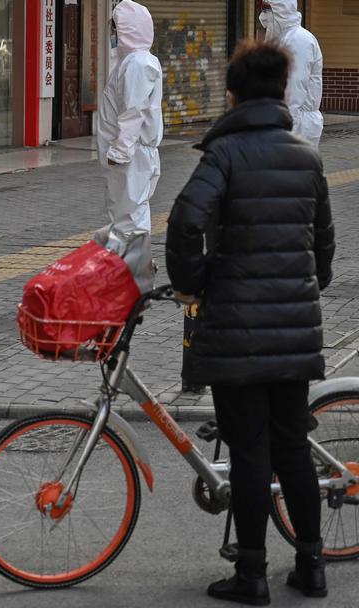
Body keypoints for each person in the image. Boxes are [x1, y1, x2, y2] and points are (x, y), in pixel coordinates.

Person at [165, 41, 335, 605]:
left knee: (249, 451)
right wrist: (302, 289)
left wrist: (193, 281)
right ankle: (311, 567)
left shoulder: (226, 155)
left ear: (233, 94)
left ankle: (252, 574)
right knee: (292, 447)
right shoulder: (305, 156)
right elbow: (324, 250)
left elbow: (187, 220)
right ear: (282, 93)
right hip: (293, 326)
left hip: (236, 327)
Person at [97, 0, 164, 238]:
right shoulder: (137, 61)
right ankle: (134, 269)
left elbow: (133, 111)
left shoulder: (137, 64)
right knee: (129, 219)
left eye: (115, 28)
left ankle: (135, 270)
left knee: (129, 223)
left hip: (131, 158)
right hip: (134, 156)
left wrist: (119, 152)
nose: (113, 34)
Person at [259, 0, 324, 147]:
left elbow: (293, 91)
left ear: (281, 8)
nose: (263, 14)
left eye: (267, 8)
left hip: (297, 126)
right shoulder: (280, 39)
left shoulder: (298, 40)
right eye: (262, 7)